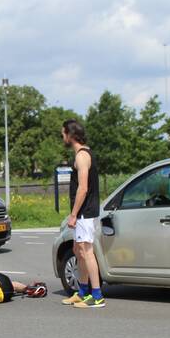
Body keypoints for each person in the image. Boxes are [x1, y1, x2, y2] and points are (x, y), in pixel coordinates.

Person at [61, 119, 104, 308]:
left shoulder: (82, 156)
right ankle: (83, 291)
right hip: (83, 214)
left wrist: (73, 214)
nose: (62, 136)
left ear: (71, 135)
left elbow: (83, 188)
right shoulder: (81, 154)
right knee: (78, 251)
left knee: (87, 252)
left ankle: (97, 296)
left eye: (63, 133)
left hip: (85, 213)